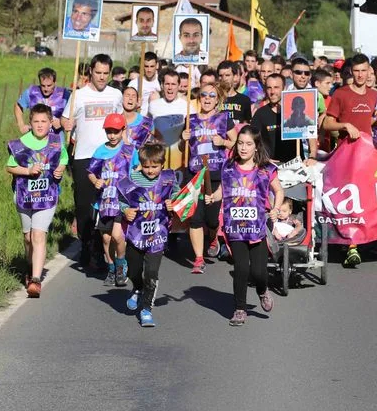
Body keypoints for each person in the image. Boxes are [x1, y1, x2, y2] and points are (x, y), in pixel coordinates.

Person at [204, 126, 284, 326]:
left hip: (257, 228)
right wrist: (213, 197)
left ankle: (262, 290)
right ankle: (240, 309)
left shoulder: (266, 169)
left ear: (257, 146)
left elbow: (279, 191)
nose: (243, 148)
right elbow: (223, 190)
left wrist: (275, 208)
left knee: (258, 272)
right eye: (240, 143)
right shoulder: (229, 166)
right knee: (241, 268)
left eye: (248, 144)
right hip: (235, 228)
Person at [61, 54, 124, 269]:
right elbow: (64, 119)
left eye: (106, 73)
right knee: (83, 204)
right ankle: (86, 244)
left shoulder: (115, 95)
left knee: (106, 204)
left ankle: (99, 249)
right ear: (90, 72)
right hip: (84, 156)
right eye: (98, 73)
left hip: (109, 157)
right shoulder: (78, 95)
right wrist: (66, 123)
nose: (102, 77)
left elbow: (122, 122)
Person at [322, 53, 377, 268]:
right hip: (346, 154)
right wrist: (345, 125)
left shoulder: (373, 94)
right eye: (356, 71)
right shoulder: (341, 94)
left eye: (364, 70)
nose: (360, 75)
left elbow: (365, 120)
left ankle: (359, 239)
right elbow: (327, 124)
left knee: (364, 198)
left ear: (369, 71)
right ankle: (352, 246)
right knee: (350, 198)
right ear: (351, 72)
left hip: (367, 154)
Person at [6, 103, 67, 298]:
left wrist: (60, 169)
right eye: (36, 121)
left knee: (38, 235)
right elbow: (10, 167)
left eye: (44, 121)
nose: (40, 125)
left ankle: (35, 280)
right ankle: (30, 265)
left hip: (47, 196)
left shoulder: (56, 142)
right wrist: (27, 171)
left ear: (51, 122)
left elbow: (63, 159)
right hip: (24, 196)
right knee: (28, 237)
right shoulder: (20, 144)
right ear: (30, 123)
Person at [118, 143, 176, 327]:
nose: (150, 171)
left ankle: (146, 309)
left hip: (158, 234)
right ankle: (137, 287)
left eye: (155, 166)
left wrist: (173, 203)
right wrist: (125, 210)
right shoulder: (132, 179)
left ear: (162, 164)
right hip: (136, 234)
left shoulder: (169, 179)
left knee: (151, 272)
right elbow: (120, 200)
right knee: (134, 270)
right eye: (146, 166)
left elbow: (178, 197)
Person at [182, 82, 236, 273]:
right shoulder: (190, 120)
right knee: (195, 219)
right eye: (204, 95)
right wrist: (183, 139)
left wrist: (223, 142)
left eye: (212, 96)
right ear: (199, 98)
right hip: (195, 174)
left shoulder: (224, 118)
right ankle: (198, 259)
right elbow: (183, 148)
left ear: (217, 100)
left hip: (215, 174)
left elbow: (236, 143)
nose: (207, 99)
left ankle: (213, 237)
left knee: (212, 219)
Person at [88, 114, 137, 287]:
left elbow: (137, 170)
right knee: (106, 238)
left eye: (116, 132)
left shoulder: (130, 150)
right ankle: (111, 268)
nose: (112, 135)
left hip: (122, 200)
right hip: (104, 201)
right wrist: (95, 181)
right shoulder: (100, 151)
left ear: (123, 130)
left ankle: (121, 266)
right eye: (109, 132)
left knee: (117, 236)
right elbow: (91, 172)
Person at [252, 74, 300, 163]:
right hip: (271, 166)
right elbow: (252, 140)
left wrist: (312, 156)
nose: (272, 91)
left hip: (296, 164)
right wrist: (263, 158)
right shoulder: (260, 114)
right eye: (269, 88)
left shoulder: (297, 110)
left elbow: (310, 133)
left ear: (284, 88)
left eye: (276, 87)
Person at [15, 68, 69, 135]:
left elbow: (75, 112)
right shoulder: (31, 92)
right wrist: (21, 125)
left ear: (55, 83)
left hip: (56, 137)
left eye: (49, 85)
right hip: (35, 137)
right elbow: (18, 106)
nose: (46, 89)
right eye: (43, 86)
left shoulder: (64, 94)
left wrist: (62, 122)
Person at [217, 60, 253, 125]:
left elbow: (247, 124)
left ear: (235, 76)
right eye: (220, 75)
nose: (224, 79)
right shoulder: (214, 98)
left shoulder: (244, 100)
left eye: (227, 75)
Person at [120, 85, 154, 150]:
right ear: (122, 99)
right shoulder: (115, 120)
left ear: (137, 101)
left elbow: (159, 139)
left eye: (133, 96)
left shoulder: (147, 122)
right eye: (127, 95)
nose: (130, 98)